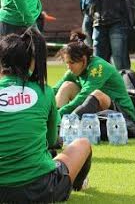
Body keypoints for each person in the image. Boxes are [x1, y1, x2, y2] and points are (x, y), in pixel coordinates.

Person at [0, 28, 91, 202]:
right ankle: (76, 185)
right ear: (31, 62)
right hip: (40, 189)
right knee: (82, 144)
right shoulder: (44, 92)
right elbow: (51, 140)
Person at [53, 32, 135, 123]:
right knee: (67, 85)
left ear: (84, 60)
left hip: (123, 115)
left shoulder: (98, 67)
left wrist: (60, 114)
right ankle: (55, 125)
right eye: (67, 63)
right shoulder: (73, 70)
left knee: (97, 94)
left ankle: (61, 121)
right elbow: (55, 90)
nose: (69, 67)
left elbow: (85, 95)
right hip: (100, 111)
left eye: (72, 63)